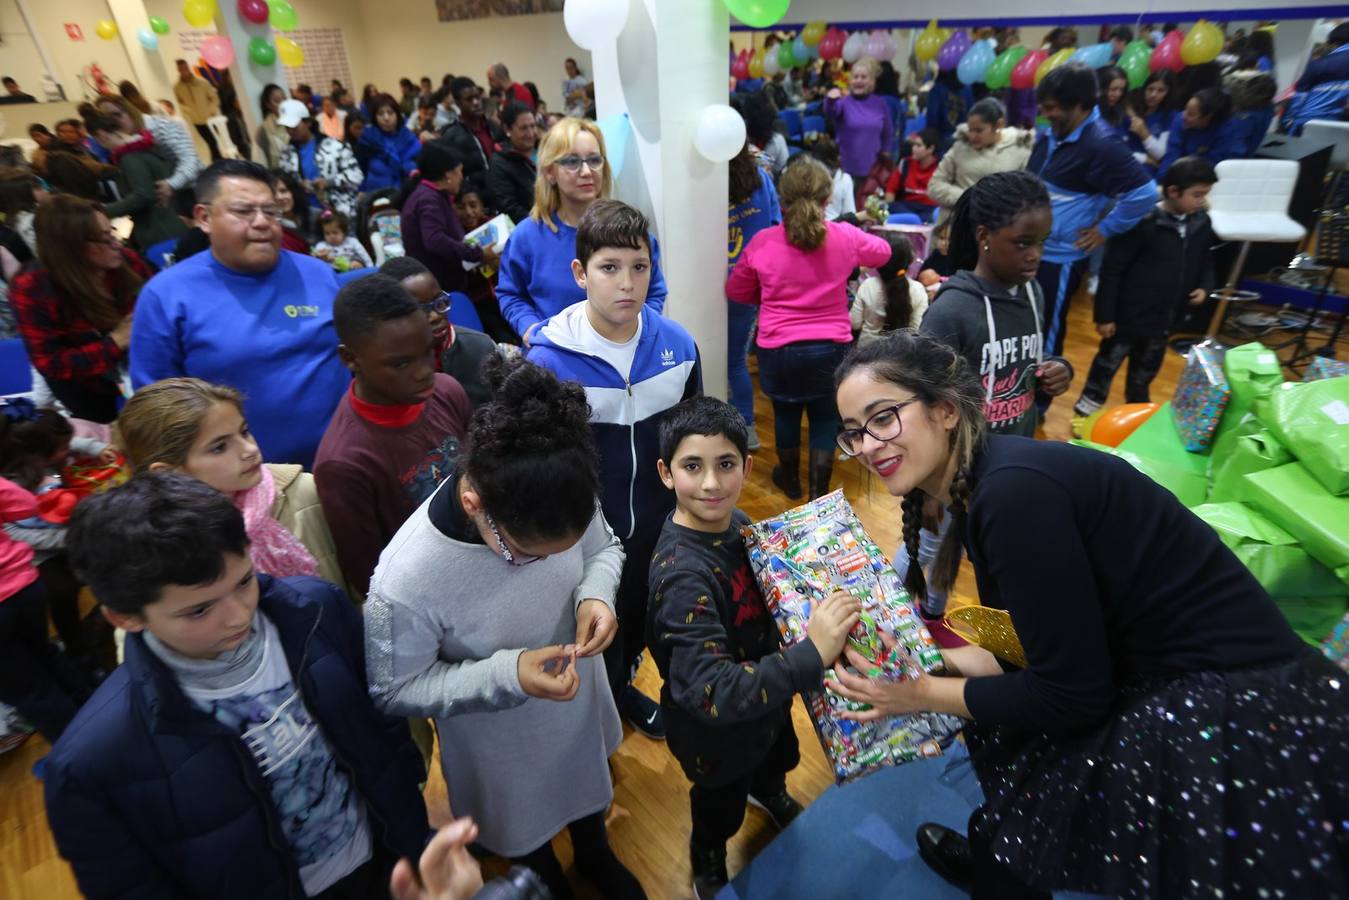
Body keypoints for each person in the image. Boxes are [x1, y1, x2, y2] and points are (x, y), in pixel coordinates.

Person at [828, 330, 1349, 899]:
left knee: (1045, 774)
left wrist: (918, 692)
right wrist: (931, 663)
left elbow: (1070, 697)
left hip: (1227, 698)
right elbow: (1039, 642)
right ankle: (996, 862)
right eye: (855, 432)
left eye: (883, 418)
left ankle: (999, 866)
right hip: (1157, 663)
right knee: (1025, 772)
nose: (869, 445)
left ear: (946, 410)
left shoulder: (1011, 496)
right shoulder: (992, 478)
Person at [47, 472, 431, 898]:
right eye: (199, 610)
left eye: (244, 581)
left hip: (389, 859)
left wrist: (412, 827)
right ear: (125, 617)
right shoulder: (90, 763)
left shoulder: (317, 610)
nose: (238, 615)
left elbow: (380, 722)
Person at [365, 354, 645, 900]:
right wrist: (508, 673)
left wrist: (593, 594)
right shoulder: (404, 580)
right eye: (522, 556)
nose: (544, 568)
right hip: (496, 745)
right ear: (473, 502)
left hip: (576, 704)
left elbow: (603, 549)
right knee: (524, 832)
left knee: (588, 791)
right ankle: (539, 878)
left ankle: (593, 851)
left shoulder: (562, 487)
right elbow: (393, 688)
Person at [647, 396, 857, 898]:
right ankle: (708, 854)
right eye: (692, 467)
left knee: (776, 758)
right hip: (714, 738)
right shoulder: (681, 575)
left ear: (747, 464)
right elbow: (710, 691)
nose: (712, 483)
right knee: (720, 806)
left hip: (767, 699)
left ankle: (771, 791)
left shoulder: (738, 522)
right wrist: (812, 653)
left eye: (726, 465)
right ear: (665, 473)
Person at [528, 199, 701, 742]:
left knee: (661, 625)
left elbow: (691, 442)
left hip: (663, 529)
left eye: (640, 267)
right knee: (604, 636)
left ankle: (634, 687)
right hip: (589, 544)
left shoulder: (678, 346)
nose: (627, 283)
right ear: (581, 273)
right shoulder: (548, 362)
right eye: (609, 268)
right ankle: (612, 706)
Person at [130, 160, 350, 468]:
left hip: (343, 464)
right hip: (242, 485)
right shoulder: (166, 296)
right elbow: (155, 417)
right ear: (203, 217)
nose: (262, 222)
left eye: (271, 211)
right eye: (243, 211)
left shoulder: (317, 274)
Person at [727, 156, 890, 501]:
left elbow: (736, 291)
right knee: (824, 416)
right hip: (831, 346)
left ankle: (789, 481)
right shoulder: (845, 236)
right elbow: (884, 252)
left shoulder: (762, 243)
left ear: (782, 200)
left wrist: (770, 294)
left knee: (784, 413)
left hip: (778, 349)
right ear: (827, 200)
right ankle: (819, 490)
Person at [315, 274, 472, 596]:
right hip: (428, 599)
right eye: (400, 364)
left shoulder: (446, 391)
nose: (424, 371)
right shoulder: (344, 463)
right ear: (350, 358)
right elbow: (371, 578)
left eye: (428, 352)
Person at [115, 378, 347, 587]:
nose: (250, 449)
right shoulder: (155, 541)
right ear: (166, 472)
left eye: (244, 432)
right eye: (219, 447)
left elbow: (357, 589)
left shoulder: (305, 492)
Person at [498, 117, 667, 344]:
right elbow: (510, 294)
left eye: (594, 160)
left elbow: (655, 290)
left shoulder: (629, 230)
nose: (586, 171)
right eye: (572, 161)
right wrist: (531, 328)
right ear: (550, 172)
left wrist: (640, 330)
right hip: (555, 357)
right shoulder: (526, 237)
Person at [1029, 63, 1155, 361]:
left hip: (1059, 259)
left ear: (1080, 105)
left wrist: (1105, 230)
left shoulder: (1102, 145)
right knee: (1025, 326)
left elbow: (1145, 194)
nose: (1046, 114)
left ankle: (1041, 399)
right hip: (1031, 249)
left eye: (1052, 108)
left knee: (1046, 332)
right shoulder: (1055, 132)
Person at [1074, 157, 1216, 417]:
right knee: (1106, 367)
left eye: (1205, 195)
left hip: (1163, 320)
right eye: (1197, 194)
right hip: (1126, 319)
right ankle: (1085, 413)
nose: (1202, 200)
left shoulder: (1201, 223)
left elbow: (1205, 260)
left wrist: (1205, 287)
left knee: (1145, 373)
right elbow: (1112, 269)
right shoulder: (1143, 223)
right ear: (1173, 191)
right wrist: (1105, 315)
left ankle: (1136, 414)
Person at [10, 195, 145, 422]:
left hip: (139, 364)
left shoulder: (128, 262)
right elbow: (50, 362)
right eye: (104, 238)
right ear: (72, 247)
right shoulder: (32, 288)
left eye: (111, 231)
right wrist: (115, 342)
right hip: (84, 385)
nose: (116, 243)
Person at [0, 473, 86, 745]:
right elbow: (27, 503)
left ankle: (83, 752)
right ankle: (99, 715)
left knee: (28, 689)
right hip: (24, 587)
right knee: (46, 654)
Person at [380, 256, 499, 406]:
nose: (436, 316)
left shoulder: (481, 347)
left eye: (439, 302)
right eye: (420, 310)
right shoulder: (385, 370)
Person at [727, 134, 781, 448]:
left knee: (708, 358)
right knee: (735, 360)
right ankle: (746, 428)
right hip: (748, 283)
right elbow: (775, 225)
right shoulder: (760, 178)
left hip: (704, 284)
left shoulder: (702, 182)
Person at [83, 113, 188, 252]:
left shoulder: (130, 157)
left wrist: (103, 211)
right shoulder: (148, 146)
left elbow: (143, 196)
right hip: (176, 221)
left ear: (101, 134)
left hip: (159, 230)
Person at [401, 142, 494, 296]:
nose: (462, 177)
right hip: (439, 285)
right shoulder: (428, 199)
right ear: (447, 175)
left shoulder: (432, 195)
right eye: (459, 172)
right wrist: (478, 254)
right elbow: (435, 240)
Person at [926, 98, 1033, 224]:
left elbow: (1026, 195)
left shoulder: (1020, 151)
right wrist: (972, 198)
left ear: (999, 125)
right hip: (955, 226)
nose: (972, 136)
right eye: (970, 129)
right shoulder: (960, 147)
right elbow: (934, 186)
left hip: (998, 227)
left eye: (979, 130)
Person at [93, 93, 202, 214]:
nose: (114, 123)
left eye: (116, 115)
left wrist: (172, 184)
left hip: (194, 191)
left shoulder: (163, 126)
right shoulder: (126, 140)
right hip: (170, 202)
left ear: (130, 110)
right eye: (107, 119)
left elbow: (191, 160)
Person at [823, 57, 894, 209]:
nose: (859, 80)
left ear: (872, 81)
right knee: (845, 211)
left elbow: (888, 133)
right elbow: (831, 112)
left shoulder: (880, 104)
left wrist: (886, 153)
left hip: (872, 170)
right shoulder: (844, 102)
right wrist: (830, 99)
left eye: (863, 77)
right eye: (855, 77)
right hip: (845, 168)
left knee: (867, 211)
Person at [277, 98, 364, 219]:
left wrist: (329, 182)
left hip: (339, 214)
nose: (290, 130)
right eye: (287, 127)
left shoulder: (335, 146)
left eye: (294, 126)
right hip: (306, 214)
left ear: (308, 122)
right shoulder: (286, 153)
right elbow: (284, 183)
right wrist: (298, 185)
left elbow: (356, 176)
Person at [851, 231, 927, 346]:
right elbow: (918, 329)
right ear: (910, 260)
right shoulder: (918, 289)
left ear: (877, 261)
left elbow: (854, 323)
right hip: (901, 356)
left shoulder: (868, 285)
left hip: (866, 354)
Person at [1157, 87, 1245, 174]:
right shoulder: (1180, 120)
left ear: (1208, 117)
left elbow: (1220, 163)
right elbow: (1172, 154)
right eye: (1185, 109)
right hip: (1182, 171)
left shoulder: (1229, 129)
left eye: (1191, 114)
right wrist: (1163, 179)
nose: (1184, 116)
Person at [436, 77, 502, 194]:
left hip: (501, 192)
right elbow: (454, 178)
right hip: (475, 199)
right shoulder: (451, 136)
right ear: (458, 103)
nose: (476, 102)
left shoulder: (493, 127)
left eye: (477, 97)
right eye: (469, 99)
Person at [1282, 22, 1349, 134]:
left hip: (1306, 121)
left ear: (1334, 43)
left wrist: (1288, 120)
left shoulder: (1319, 64)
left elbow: (1300, 97)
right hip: (1336, 123)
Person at [487, 101, 539, 224]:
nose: (531, 133)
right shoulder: (499, 163)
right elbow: (509, 208)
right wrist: (541, 223)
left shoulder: (542, 150)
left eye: (533, 126)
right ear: (507, 129)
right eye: (523, 128)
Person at [360, 93, 421, 193]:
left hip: (407, 194)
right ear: (374, 117)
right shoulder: (368, 140)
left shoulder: (409, 138)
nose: (386, 118)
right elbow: (362, 169)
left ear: (397, 115)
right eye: (380, 114)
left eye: (390, 113)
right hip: (377, 195)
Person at [884, 129, 942, 223]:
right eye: (913, 145)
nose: (913, 149)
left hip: (929, 209)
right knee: (893, 207)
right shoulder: (905, 163)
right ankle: (914, 220)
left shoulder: (941, 167)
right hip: (906, 206)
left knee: (935, 215)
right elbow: (890, 190)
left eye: (918, 145)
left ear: (930, 149)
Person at [173, 58, 222, 162]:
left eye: (185, 68)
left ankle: (216, 161)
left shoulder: (202, 82)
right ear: (178, 70)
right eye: (181, 69)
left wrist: (211, 110)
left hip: (210, 118)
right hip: (197, 121)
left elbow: (214, 98)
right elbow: (179, 102)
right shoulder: (177, 87)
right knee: (210, 142)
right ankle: (218, 161)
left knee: (213, 142)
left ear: (188, 67)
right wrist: (188, 111)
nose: (184, 70)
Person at [1125, 70, 1173, 168]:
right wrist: (1144, 158)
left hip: (1148, 171)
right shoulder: (1129, 107)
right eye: (1150, 89)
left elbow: (1160, 154)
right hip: (1127, 163)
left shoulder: (1170, 116)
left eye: (1161, 91)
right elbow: (1114, 148)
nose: (1153, 95)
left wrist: (1143, 132)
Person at [925, 68, 975, 147]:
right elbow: (971, 114)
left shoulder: (938, 89)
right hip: (962, 139)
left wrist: (929, 139)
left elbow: (932, 116)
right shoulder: (967, 89)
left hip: (940, 138)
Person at [271, 167, 315, 253]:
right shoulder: (273, 226)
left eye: (283, 191)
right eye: (273, 194)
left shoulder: (315, 215)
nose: (279, 197)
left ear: (293, 192)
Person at [254, 83, 290, 168]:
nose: (283, 104)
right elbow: (259, 162)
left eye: (284, 99)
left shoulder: (297, 121)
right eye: (277, 101)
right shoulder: (263, 130)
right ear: (268, 105)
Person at [1095, 66, 1131, 141]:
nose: (1118, 94)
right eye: (1113, 89)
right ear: (1100, 89)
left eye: (1121, 90)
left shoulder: (1120, 111)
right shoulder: (1090, 116)